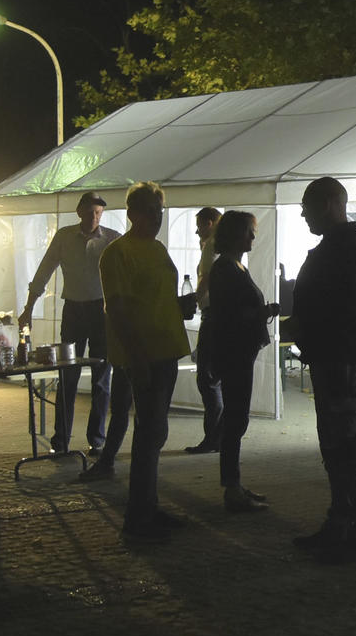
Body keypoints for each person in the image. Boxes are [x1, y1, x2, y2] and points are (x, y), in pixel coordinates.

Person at [286, 176, 356, 563]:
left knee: (349, 446)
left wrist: (308, 329)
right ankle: (345, 523)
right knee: (339, 446)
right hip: (338, 360)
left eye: (306, 207)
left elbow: (345, 310)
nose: (303, 215)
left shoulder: (345, 251)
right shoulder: (345, 247)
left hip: (343, 363)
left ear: (327, 204)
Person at [98, 181, 192, 538]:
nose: (157, 217)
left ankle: (147, 506)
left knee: (155, 431)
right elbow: (118, 309)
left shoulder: (158, 249)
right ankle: (139, 517)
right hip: (144, 353)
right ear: (132, 214)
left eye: (160, 211)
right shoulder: (118, 254)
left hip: (167, 348)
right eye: (150, 211)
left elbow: (159, 296)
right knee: (149, 431)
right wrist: (135, 358)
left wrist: (180, 306)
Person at [20, 190, 118, 455]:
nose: (94, 217)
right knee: (68, 375)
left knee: (101, 377)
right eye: (89, 212)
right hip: (74, 309)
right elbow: (44, 271)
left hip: (101, 310)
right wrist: (28, 307)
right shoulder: (64, 237)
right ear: (79, 212)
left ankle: (97, 440)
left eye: (98, 212)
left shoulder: (112, 239)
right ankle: (61, 440)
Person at [199, 209, 276, 512]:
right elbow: (229, 313)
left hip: (240, 351)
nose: (253, 237)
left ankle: (235, 484)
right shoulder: (226, 269)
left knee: (236, 418)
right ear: (235, 235)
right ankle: (232, 488)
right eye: (248, 231)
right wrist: (262, 312)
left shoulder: (234, 267)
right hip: (235, 352)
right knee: (235, 419)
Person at [183, 205, 224, 455]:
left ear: (209, 223)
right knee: (214, 378)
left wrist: (193, 300)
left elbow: (205, 278)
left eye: (199, 226)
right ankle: (218, 436)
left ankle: (213, 437)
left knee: (207, 378)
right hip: (220, 315)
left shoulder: (212, 245)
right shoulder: (223, 245)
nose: (197, 231)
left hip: (212, 315)